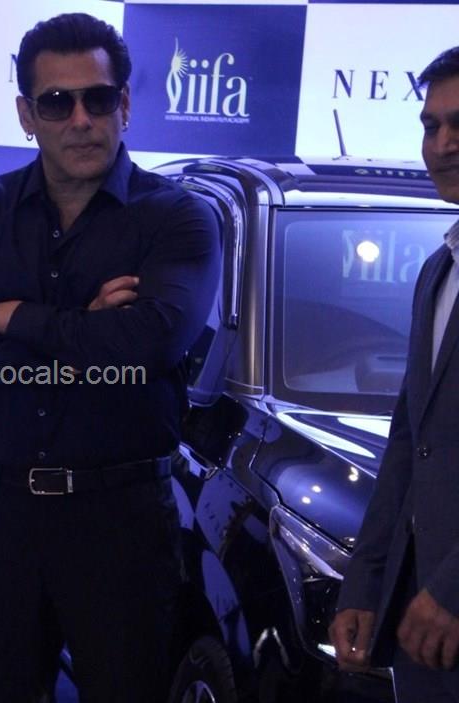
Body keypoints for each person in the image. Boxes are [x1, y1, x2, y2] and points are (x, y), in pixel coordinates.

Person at [0, 12, 219, 702]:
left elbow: (149, 346)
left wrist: (12, 316)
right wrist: (84, 333)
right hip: (2, 514)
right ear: (27, 115)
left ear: (124, 104)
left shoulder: (178, 218)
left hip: (123, 521)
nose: (81, 120)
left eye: (97, 99)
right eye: (56, 102)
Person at [330, 46, 459, 702]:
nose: (443, 144)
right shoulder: (438, 271)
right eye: (431, 126)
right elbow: (411, 443)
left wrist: (453, 591)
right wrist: (367, 582)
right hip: (421, 630)